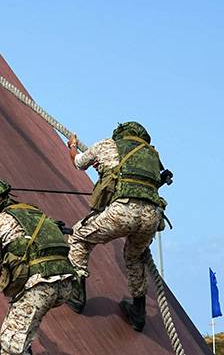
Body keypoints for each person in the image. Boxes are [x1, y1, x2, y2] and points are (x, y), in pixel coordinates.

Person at [66, 121, 170, 331]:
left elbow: (78, 163)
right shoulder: (152, 155)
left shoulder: (108, 144)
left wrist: (73, 146)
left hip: (122, 211)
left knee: (78, 237)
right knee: (134, 257)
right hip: (151, 217)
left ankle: (77, 295)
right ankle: (138, 313)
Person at [0, 175, 76, 355]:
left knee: (11, 343)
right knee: (20, 323)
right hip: (65, 285)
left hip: (39, 288)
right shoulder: (33, 211)